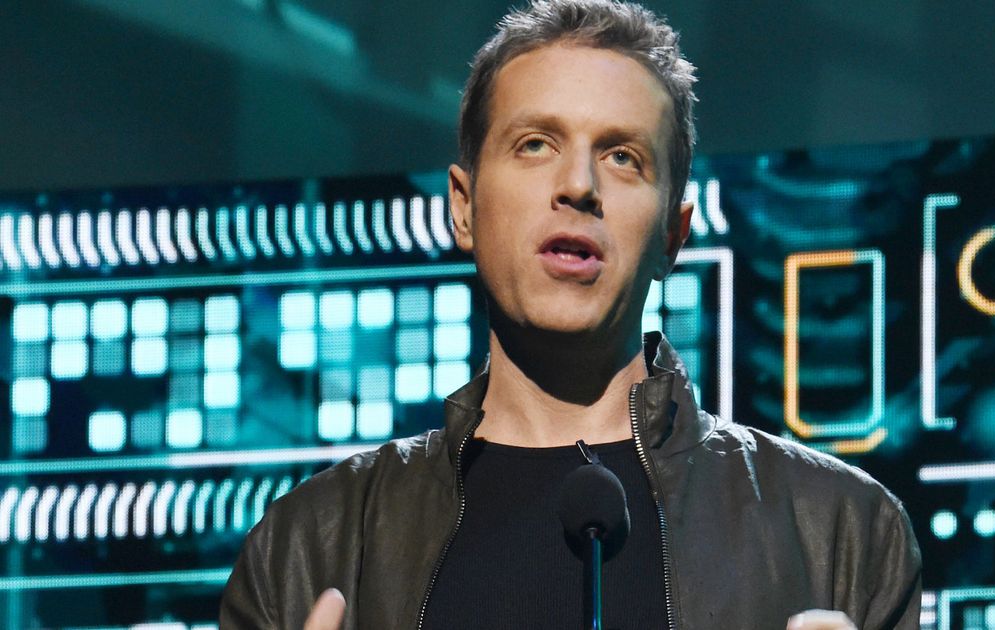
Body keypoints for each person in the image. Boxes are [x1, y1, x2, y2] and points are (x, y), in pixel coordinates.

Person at [219, 1, 921, 628]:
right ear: (463, 207)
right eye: (535, 144)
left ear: (672, 236)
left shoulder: (842, 534)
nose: (579, 185)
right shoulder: (309, 546)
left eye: (622, 157)